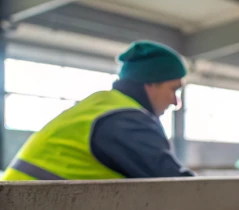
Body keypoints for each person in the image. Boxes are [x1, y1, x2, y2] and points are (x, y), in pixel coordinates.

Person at [2, 40, 193, 180]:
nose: (176, 102)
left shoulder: (103, 106)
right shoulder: (125, 120)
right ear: (150, 84)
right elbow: (174, 183)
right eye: (174, 89)